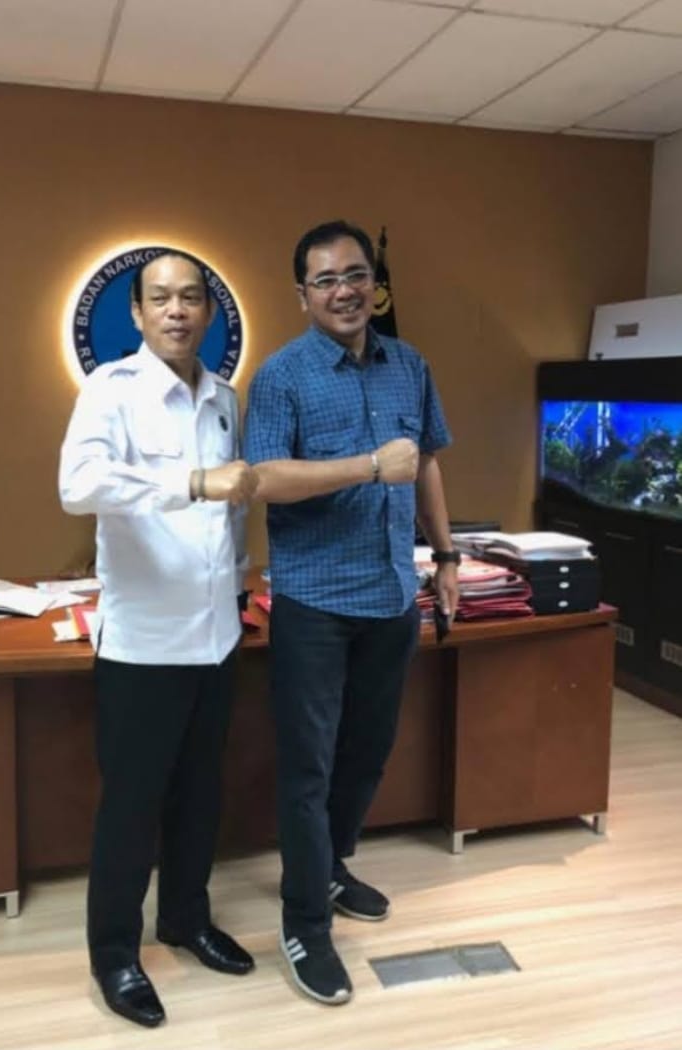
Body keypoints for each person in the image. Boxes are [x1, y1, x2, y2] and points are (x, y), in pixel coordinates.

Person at [243, 219, 459, 1006]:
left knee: (366, 754)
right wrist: (367, 466)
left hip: (392, 597)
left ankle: (329, 869)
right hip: (315, 604)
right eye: (327, 279)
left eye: (356, 275)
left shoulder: (411, 365)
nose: (345, 291)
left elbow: (424, 463)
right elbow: (265, 478)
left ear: (376, 283)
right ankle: (304, 923)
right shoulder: (282, 376)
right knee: (308, 767)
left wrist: (446, 556)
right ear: (302, 294)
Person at [59, 250, 258, 1029]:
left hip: (215, 635)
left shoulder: (224, 397)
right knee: (132, 807)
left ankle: (185, 918)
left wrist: (239, 587)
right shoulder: (112, 390)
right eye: (161, 299)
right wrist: (191, 482)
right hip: (143, 645)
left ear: (208, 311)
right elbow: (78, 486)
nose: (177, 310)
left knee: (200, 793)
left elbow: (234, 512)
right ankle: (115, 953)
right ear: (138, 314)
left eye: (191, 298)